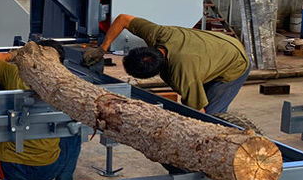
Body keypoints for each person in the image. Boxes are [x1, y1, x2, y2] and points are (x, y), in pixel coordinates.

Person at [83, 14, 251, 114]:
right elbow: (123, 19)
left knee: (211, 120)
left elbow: (199, 111)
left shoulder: (182, 74)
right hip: (221, 44)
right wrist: (102, 48)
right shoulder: (158, 34)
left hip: (235, 62)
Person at [0, 40, 82, 180]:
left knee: (8, 129)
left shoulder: (14, 73)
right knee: (73, 130)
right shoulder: (68, 83)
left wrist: (15, 54)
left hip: (10, 168)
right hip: (49, 169)